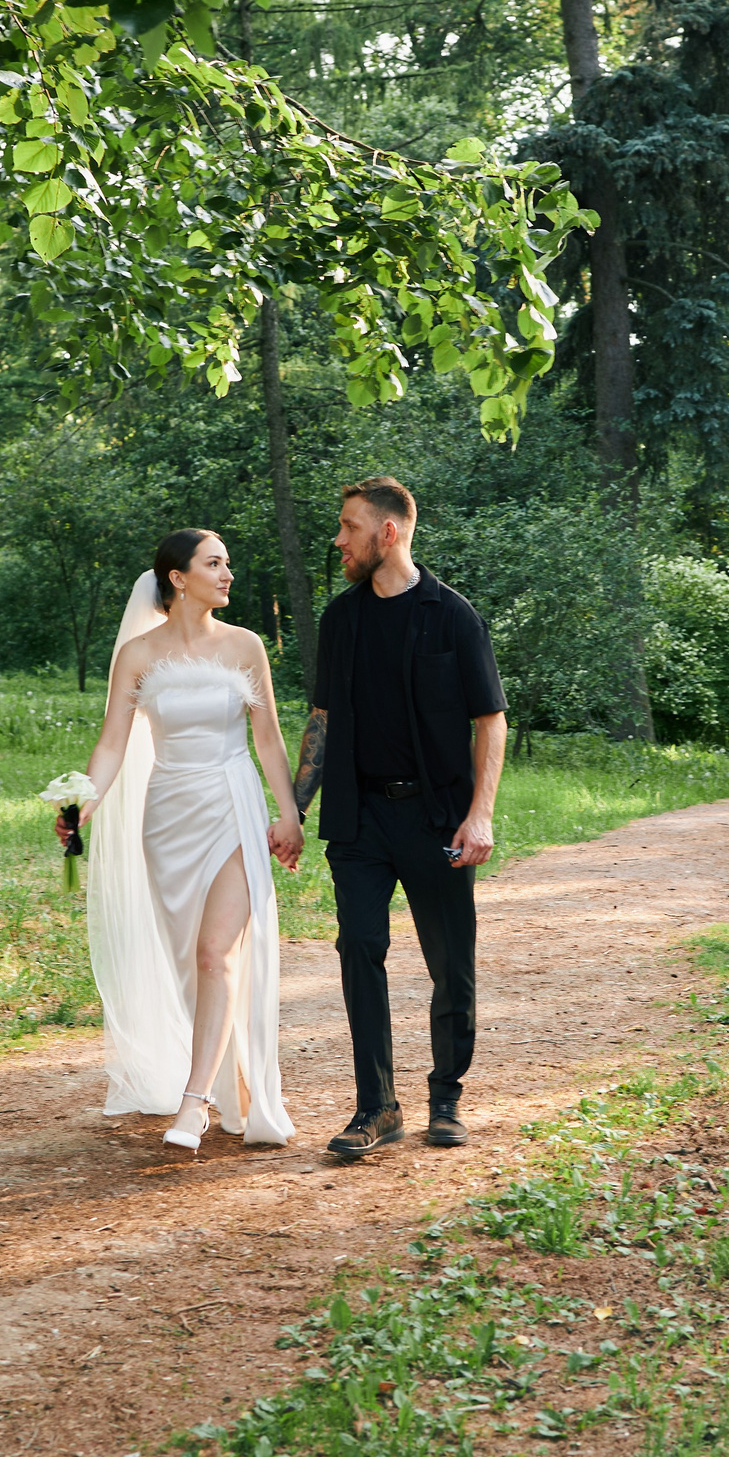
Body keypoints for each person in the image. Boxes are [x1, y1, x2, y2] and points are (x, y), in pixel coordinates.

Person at [291, 478, 507, 1157]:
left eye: (349, 527)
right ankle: (376, 1106)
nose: (339, 540)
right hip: (358, 820)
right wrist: (294, 808)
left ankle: (446, 1097)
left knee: (451, 961)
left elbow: (491, 720)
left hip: (436, 816)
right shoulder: (341, 619)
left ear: (388, 533)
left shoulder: (452, 615)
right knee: (359, 948)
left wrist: (480, 815)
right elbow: (322, 720)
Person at [72, 530, 304, 1151]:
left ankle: (194, 1101)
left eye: (228, 563)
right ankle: (227, 1084)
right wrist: (82, 803)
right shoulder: (140, 654)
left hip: (232, 804)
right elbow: (113, 742)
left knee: (214, 955)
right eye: (215, 563)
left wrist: (289, 814)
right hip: (169, 815)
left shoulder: (246, 646)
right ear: (178, 577)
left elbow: (270, 740)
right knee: (189, 965)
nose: (229, 574)